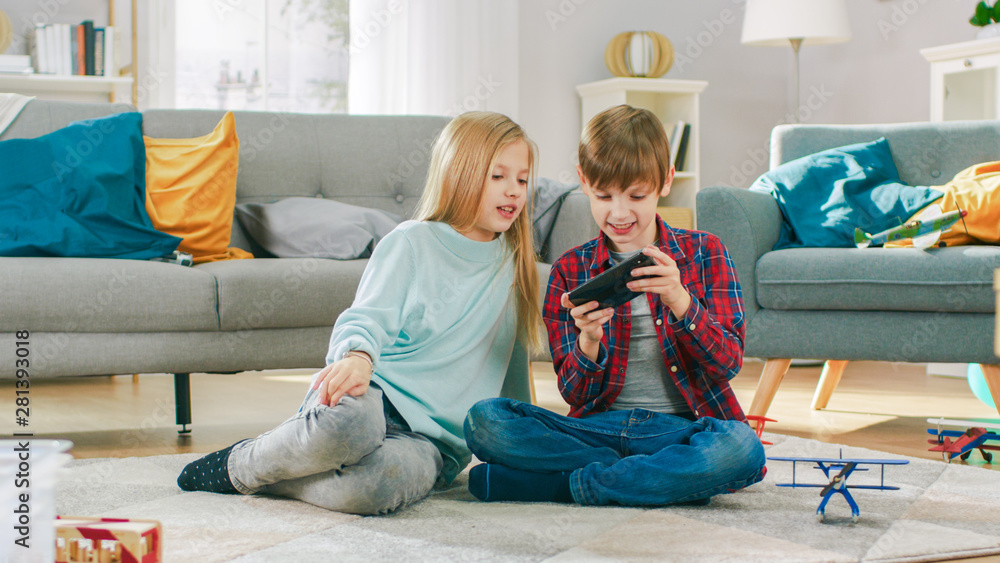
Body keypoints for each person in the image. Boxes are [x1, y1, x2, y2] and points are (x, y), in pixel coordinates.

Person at [177, 111, 543, 515]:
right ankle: (241, 465)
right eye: (498, 176)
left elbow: (510, 368)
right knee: (350, 426)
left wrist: (523, 443)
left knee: (374, 489)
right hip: (375, 399)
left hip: (431, 444)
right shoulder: (412, 242)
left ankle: (284, 473)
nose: (513, 191)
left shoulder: (515, 264)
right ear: (461, 173)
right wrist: (358, 356)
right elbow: (367, 317)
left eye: (522, 180)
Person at [464, 105, 766, 507]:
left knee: (742, 448)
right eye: (604, 195)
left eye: (636, 196)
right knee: (485, 422)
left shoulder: (705, 252)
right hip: (597, 429)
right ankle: (654, 478)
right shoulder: (570, 270)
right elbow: (574, 393)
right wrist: (589, 340)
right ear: (584, 182)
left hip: (681, 430)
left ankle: (563, 485)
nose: (619, 212)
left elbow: (727, 364)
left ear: (666, 181)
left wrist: (681, 301)